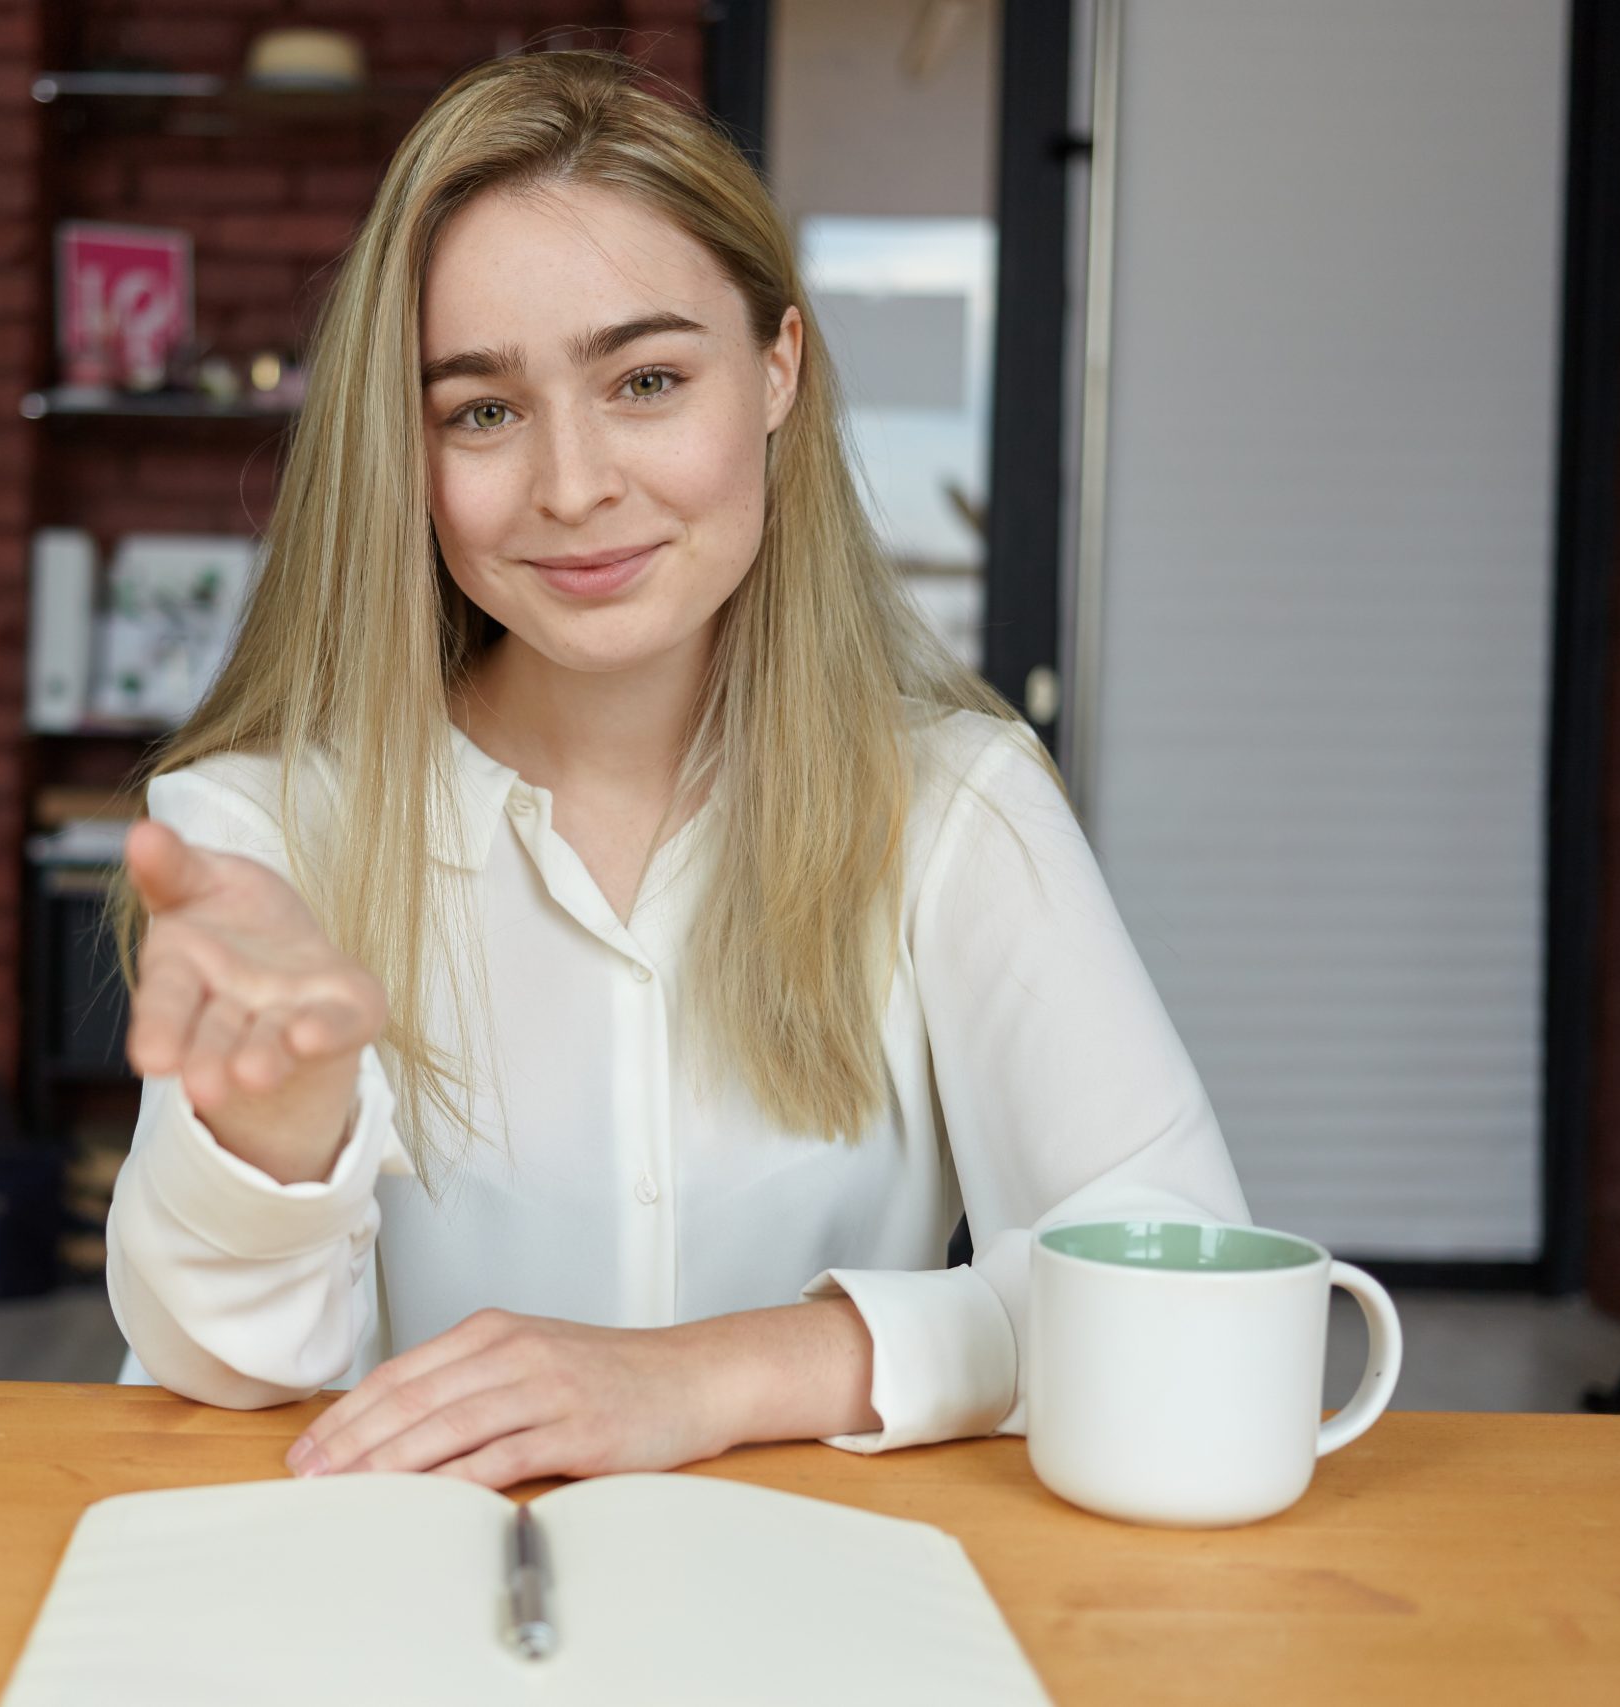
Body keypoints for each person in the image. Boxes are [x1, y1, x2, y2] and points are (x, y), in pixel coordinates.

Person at [106, 50, 1247, 1491]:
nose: (573, 484)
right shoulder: (262, 827)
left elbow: (1178, 1282)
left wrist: (710, 1373)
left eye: (646, 378)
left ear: (779, 371)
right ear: (408, 450)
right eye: (482, 409)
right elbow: (219, 1389)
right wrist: (276, 1133)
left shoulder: (961, 805)